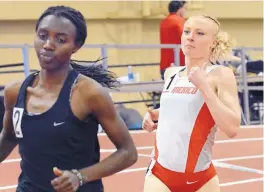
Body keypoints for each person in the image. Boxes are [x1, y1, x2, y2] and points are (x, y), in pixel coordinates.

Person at [0, 5, 138, 192]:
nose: (48, 44)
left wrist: (80, 177)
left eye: (61, 39)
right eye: (42, 36)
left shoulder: (89, 94)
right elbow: (8, 137)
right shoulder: (14, 92)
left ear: (76, 46)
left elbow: (128, 152)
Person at [143, 14, 241, 192]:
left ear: (213, 42)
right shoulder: (171, 73)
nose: (190, 36)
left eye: (200, 33)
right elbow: (178, 107)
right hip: (160, 174)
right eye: (187, 31)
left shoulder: (220, 74)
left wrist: (204, 87)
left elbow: (232, 127)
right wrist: (153, 114)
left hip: (201, 180)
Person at [160, 0, 187, 80]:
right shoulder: (180, 21)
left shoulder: (164, 22)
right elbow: (188, 38)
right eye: (184, 8)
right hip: (179, 66)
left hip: (165, 65)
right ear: (180, 9)